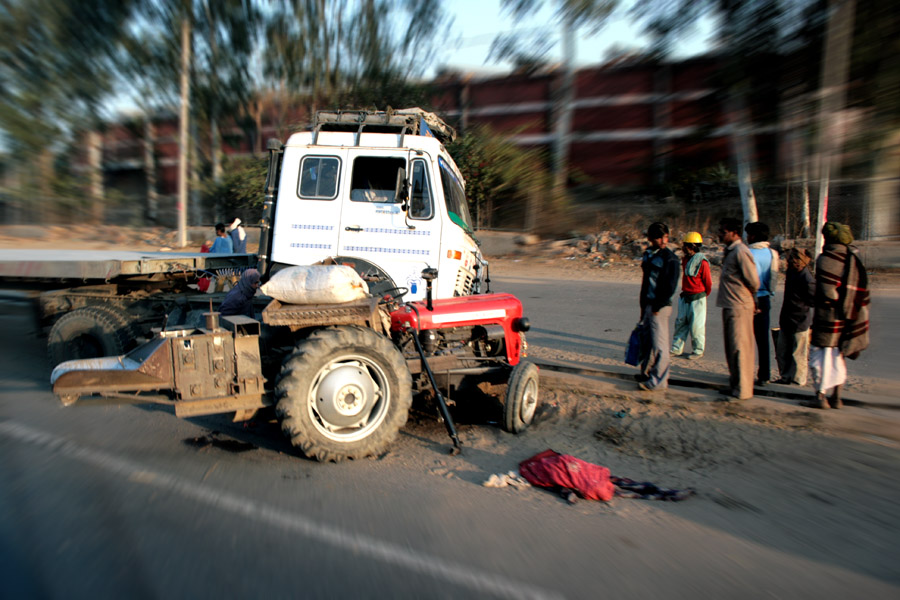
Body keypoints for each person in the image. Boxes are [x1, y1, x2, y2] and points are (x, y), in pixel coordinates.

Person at [804, 222, 870, 409]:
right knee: (838, 356)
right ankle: (837, 397)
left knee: (820, 357)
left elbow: (827, 292)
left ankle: (820, 396)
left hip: (828, 316)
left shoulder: (825, 259)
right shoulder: (854, 258)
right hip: (849, 315)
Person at [717, 217, 760, 401]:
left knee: (740, 348)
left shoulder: (741, 252)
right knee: (731, 348)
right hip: (729, 304)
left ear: (734, 233)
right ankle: (735, 385)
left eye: (724, 232)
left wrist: (748, 297)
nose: (721, 235)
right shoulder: (730, 251)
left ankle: (743, 390)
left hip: (739, 305)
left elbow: (754, 281)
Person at [636, 222, 681, 391]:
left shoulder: (670, 258)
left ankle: (659, 382)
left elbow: (670, 286)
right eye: (659, 237)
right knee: (646, 343)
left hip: (659, 307)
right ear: (650, 239)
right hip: (648, 305)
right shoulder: (649, 255)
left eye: (665, 237)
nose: (663, 240)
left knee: (660, 345)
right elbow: (646, 282)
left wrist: (658, 305)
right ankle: (646, 374)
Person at [775, 248, 815, 386]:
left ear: (802, 262)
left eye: (795, 259)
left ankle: (798, 381)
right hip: (786, 318)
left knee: (798, 354)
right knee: (782, 352)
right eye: (790, 259)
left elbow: (813, 300)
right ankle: (785, 377)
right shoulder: (791, 273)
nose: (791, 261)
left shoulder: (807, 278)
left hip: (800, 321)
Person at [746, 222, 779, 385]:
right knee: (762, 339)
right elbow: (773, 279)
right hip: (764, 298)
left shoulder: (746, 253)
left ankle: (744, 372)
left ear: (752, 236)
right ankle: (764, 375)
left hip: (748, 299)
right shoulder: (772, 254)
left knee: (745, 338)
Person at [670, 232, 712, 360]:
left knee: (696, 326)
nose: (684, 248)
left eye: (686, 245)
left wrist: (703, 296)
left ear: (693, 246)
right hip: (685, 296)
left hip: (697, 297)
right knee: (681, 323)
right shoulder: (685, 260)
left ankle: (698, 350)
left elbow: (708, 283)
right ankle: (676, 348)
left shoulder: (703, 263)